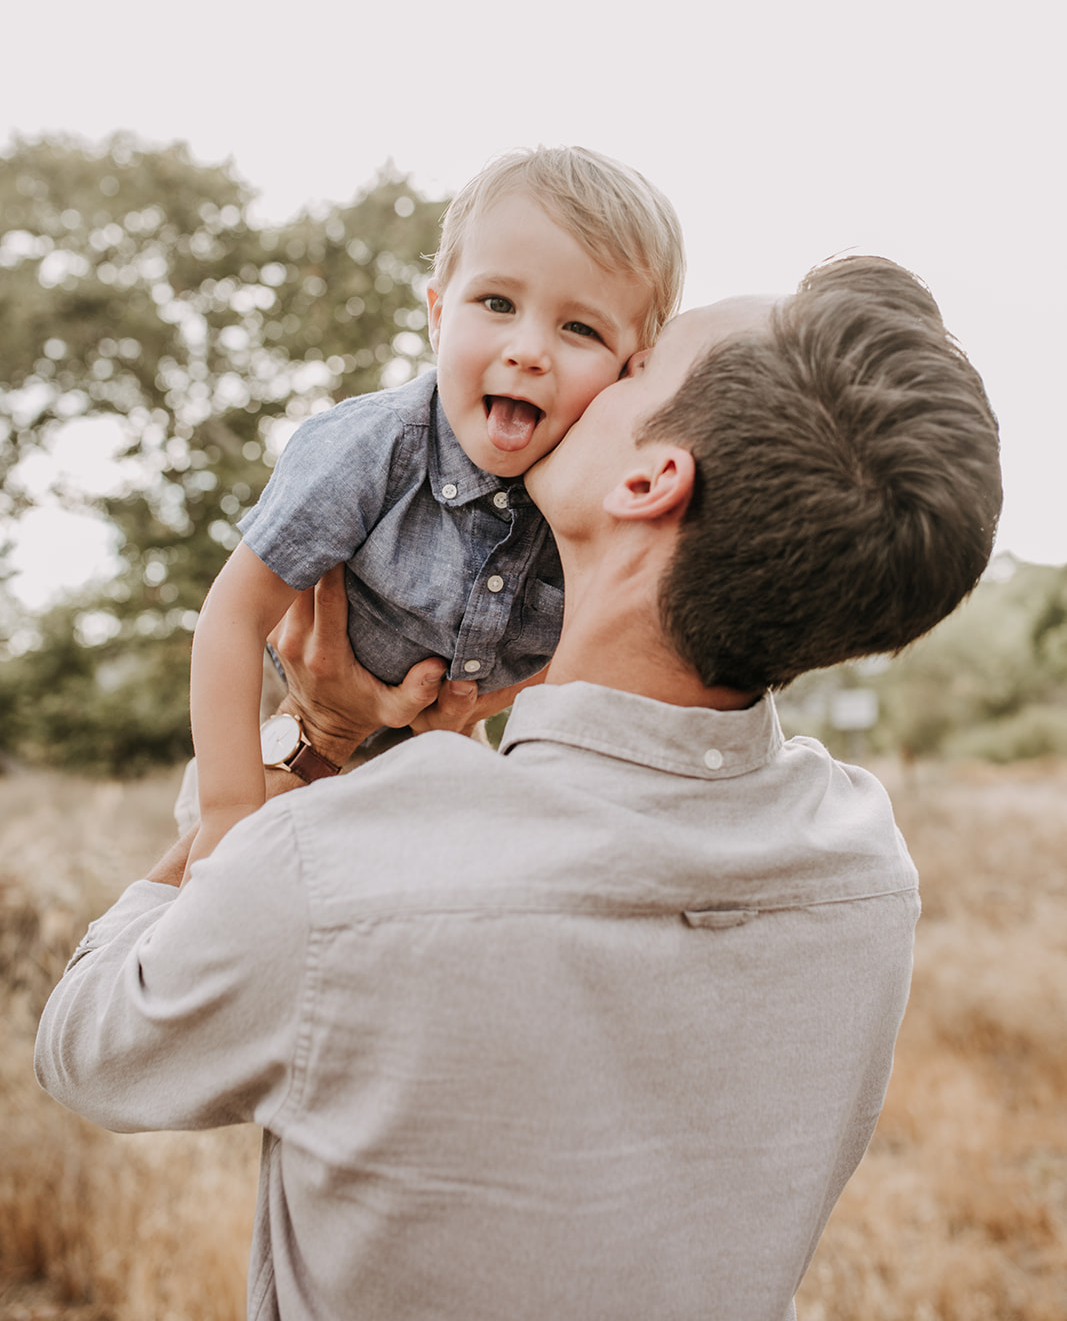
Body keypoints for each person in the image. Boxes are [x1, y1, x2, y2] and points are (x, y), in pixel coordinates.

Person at [36, 255, 1002, 1321]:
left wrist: (316, 746)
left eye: (636, 368)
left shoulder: (339, 865)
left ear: (647, 482)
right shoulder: (867, 871)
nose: (591, 380)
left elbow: (91, 1045)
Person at [182, 145, 685, 869]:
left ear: (634, 368)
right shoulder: (371, 447)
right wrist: (229, 812)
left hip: (439, 766)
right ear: (438, 316)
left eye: (580, 329)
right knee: (224, 923)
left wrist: (470, 718)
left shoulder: (605, 502)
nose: (528, 350)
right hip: (276, 750)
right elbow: (232, 615)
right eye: (497, 304)